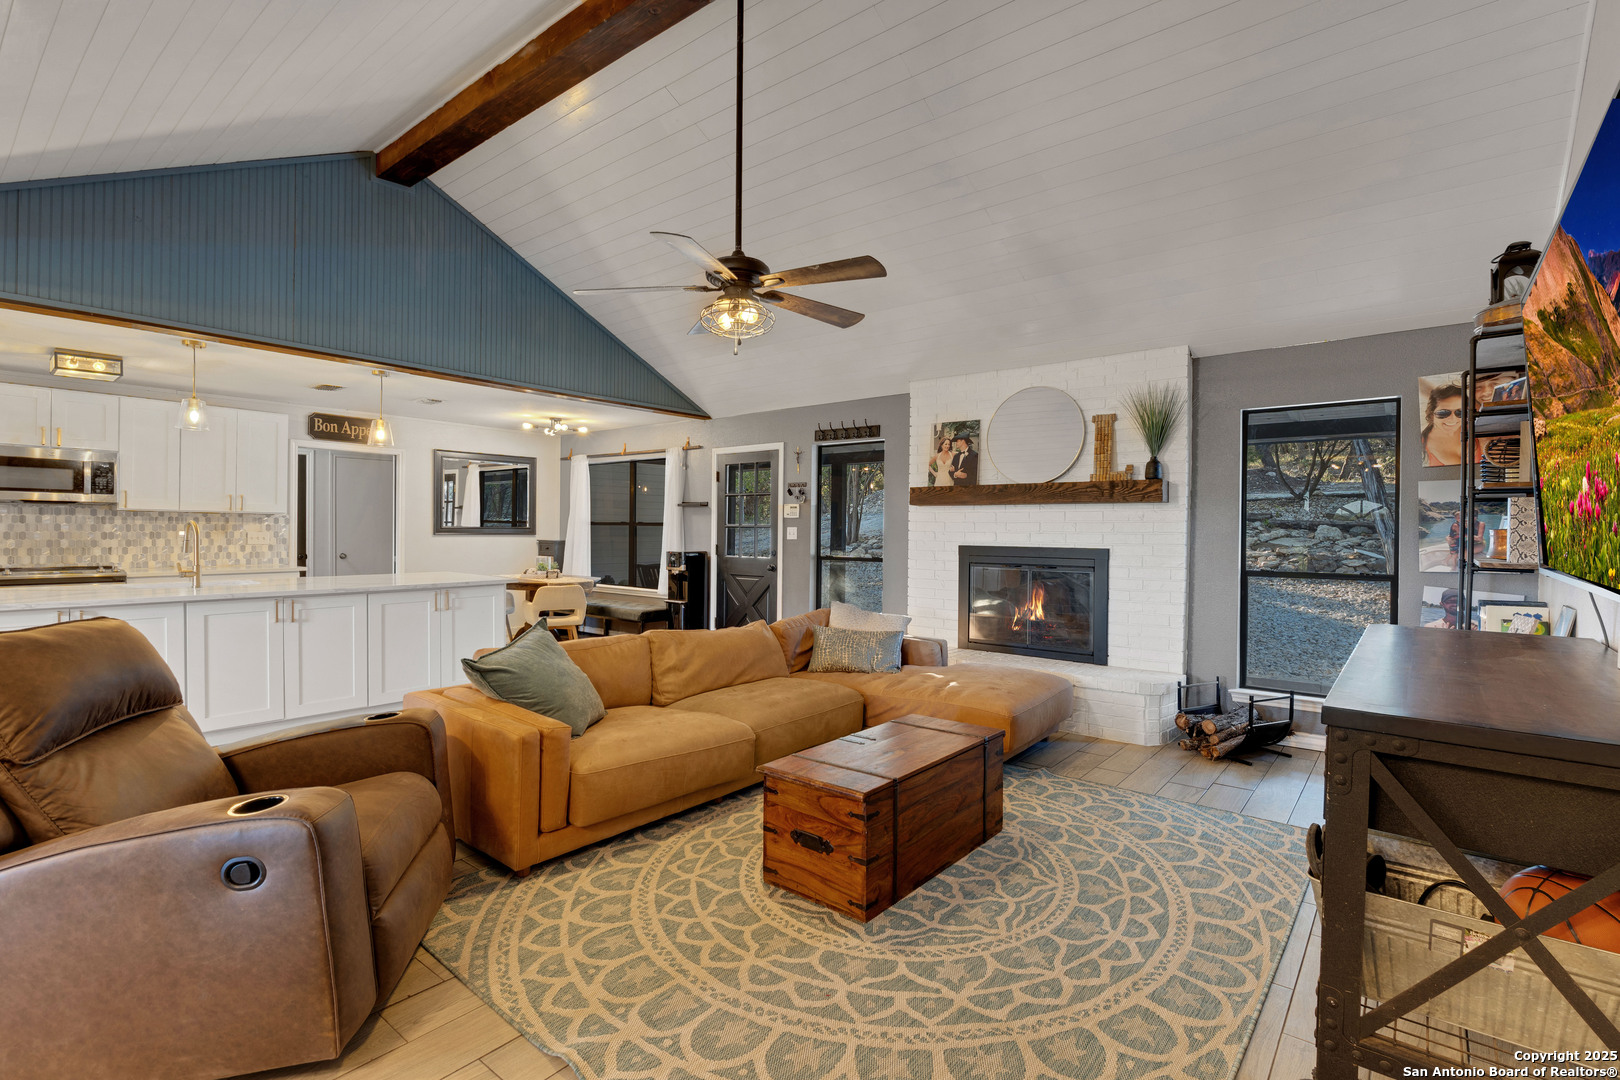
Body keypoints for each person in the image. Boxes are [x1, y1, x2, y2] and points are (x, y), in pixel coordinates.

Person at [1421, 383, 1465, 466]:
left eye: (1460, 412)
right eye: (1443, 413)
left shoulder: (1476, 430)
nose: (1453, 418)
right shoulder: (1421, 447)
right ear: (1431, 415)